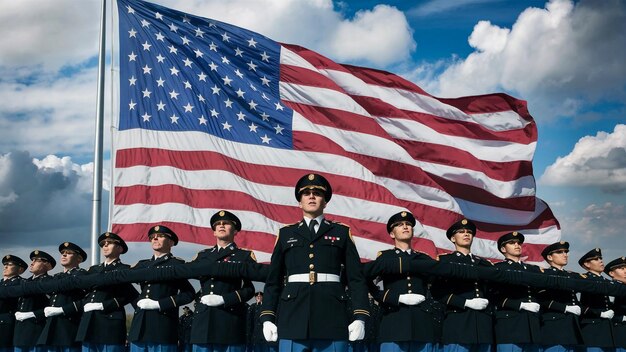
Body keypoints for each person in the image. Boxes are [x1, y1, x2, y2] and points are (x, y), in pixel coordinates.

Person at [260, 173, 369, 352]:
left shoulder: (341, 233)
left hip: (332, 315)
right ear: (300, 202)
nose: (312, 196)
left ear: (325, 202)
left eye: (317, 193)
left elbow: (356, 279)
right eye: (306, 193)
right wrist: (267, 317)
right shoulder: (286, 234)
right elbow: (274, 282)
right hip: (293, 316)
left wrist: (360, 316)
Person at [367, 211, 440, 352]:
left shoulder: (423, 259)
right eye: (399, 225)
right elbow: (367, 281)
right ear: (392, 234)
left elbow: (438, 282)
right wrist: (395, 298)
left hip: (422, 324)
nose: (405, 227)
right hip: (394, 321)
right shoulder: (385, 257)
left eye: (408, 224)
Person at [189, 210, 256, 352]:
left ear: (235, 230)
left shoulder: (244, 256)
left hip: (229, 320)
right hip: (204, 321)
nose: (221, 226)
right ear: (213, 232)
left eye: (226, 223)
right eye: (217, 224)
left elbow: (249, 289)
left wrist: (224, 299)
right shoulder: (202, 256)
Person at [128, 225, 195, 352]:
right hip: (140, 326)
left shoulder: (176, 265)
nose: (155, 239)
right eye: (152, 237)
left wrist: (160, 304)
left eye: (160, 236)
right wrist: (137, 303)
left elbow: (189, 293)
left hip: (162, 325)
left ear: (171, 242)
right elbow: (124, 284)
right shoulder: (143, 265)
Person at [433, 218, 493, 352]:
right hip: (459, 322)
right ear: (453, 238)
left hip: (483, 325)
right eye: (461, 232)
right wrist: (465, 302)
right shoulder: (445, 261)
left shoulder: (484, 263)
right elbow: (438, 292)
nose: (466, 234)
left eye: (469, 232)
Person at [76, 232, 139, 352]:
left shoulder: (124, 269)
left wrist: (104, 305)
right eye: (103, 244)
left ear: (120, 248)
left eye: (109, 243)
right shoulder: (94, 270)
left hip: (109, 324)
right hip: (89, 323)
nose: (105, 246)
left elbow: (130, 295)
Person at [491, 232, 542, 352]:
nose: (517, 245)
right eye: (512, 243)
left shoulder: (532, 269)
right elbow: (494, 296)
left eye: (519, 243)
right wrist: (520, 305)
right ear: (503, 249)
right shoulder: (498, 268)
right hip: (511, 325)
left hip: (532, 326)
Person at [37, 242, 89, 352]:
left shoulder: (82, 275)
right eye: (62, 253)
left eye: (68, 253)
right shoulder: (57, 276)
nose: (64, 255)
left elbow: (87, 300)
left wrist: (63, 310)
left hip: (69, 326)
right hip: (52, 326)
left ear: (79, 259)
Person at [537, 241, 583, 352]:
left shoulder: (571, 275)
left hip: (572, 327)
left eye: (566, 252)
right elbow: (542, 299)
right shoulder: (544, 274)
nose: (565, 254)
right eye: (560, 252)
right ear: (550, 257)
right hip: (555, 328)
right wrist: (565, 308)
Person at [13, 250, 55, 352]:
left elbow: (51, 306)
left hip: (36, 328)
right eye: (32, 260)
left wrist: (32, 314)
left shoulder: (49, 281)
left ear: (47, 265)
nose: (32, 263)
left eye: (36, 260)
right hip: (20, 329)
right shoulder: (25, 282)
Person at [577, 248, 615, 352]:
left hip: (608, 330)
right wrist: (599, 313)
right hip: (592, 329)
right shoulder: (584, 280)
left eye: (601, 258)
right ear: (587, 264)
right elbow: (580, 306)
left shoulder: (605, 281)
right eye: (596, 259)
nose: (601, 261)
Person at [1, 255, 27, 352]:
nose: (5, 267)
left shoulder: (21, 283)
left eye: (9, 264)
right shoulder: (1, 283)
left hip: (7, 327)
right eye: (5, 264)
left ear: (20, 269)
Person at [604, 257, 626, 352]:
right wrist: (622, 318)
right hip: (615, 335)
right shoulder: (606, 289)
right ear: (611, 273)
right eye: (622, 268)